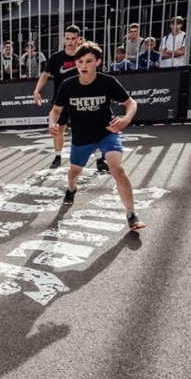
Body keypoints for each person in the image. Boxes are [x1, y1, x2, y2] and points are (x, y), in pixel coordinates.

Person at [49, 40, 145, 231]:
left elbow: (131, 103)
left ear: (98, 62)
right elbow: (55, 110)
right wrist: (52, 122)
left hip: (106, 133)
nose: (83, 66)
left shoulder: (107, 82)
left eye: (89, 61)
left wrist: (126, 120)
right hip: (81, 137)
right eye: (80, 62)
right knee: (74, 173)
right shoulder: (68, 85)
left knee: (117, 169)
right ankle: (71, 188)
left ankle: (131, 215)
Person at [34, 24, 108, 172]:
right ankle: (57, 156)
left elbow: (97, 75)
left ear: (79, 39)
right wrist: (37, 91)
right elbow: (45, 74)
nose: (70, 41)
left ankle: (100, 159)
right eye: (67, 38)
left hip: (82, 99)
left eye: (73, 38)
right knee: (59, 128)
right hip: (61, 99)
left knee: (90, 128)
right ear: (64, 39)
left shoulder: (85, 57)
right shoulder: (56, 58)